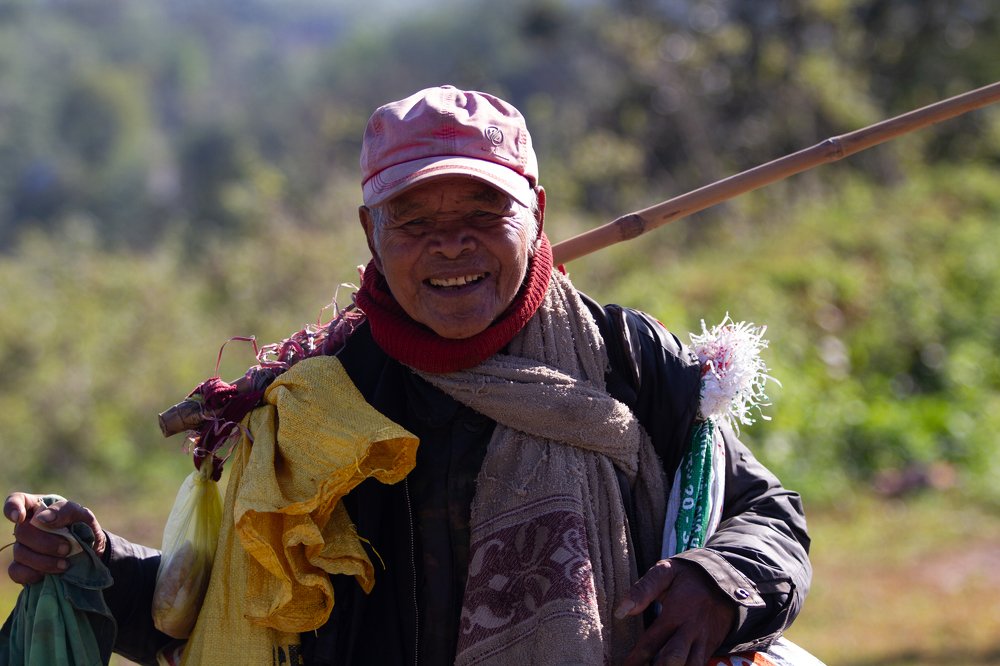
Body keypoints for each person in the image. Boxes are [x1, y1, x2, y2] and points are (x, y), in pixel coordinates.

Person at [5, 85, 811, 666]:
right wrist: (97, 562)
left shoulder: (626, 358)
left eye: (483, 217)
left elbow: (767, 514)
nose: (451, 248)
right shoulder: (316, 403)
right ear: (369, 230)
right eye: (416, 223)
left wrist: (721, 578)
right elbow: (224, 611)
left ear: (537, 211)